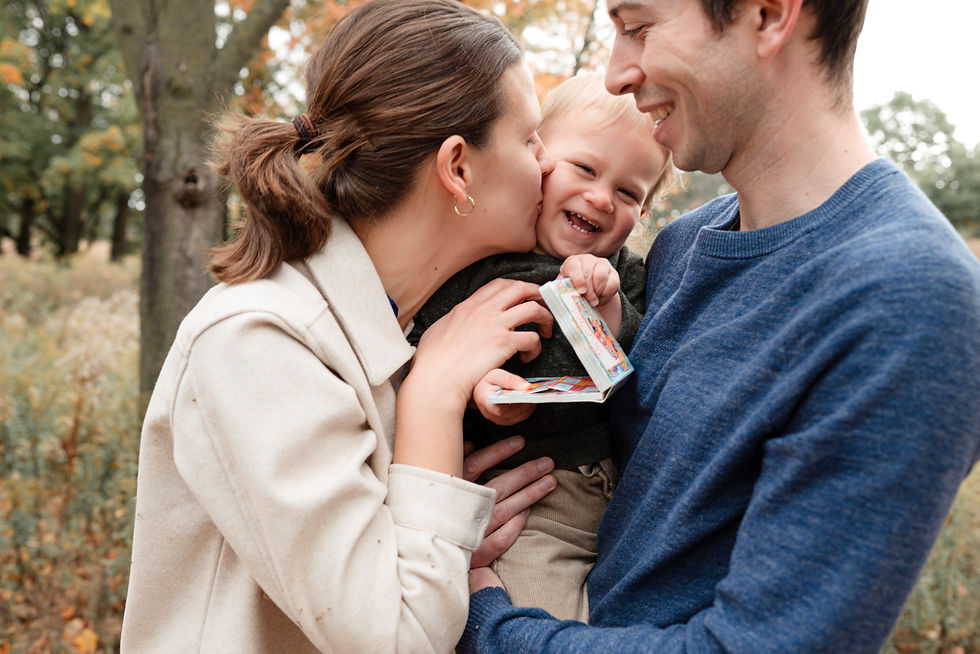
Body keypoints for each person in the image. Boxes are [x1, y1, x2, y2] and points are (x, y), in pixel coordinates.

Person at [460, 0, 980, 652]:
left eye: (638, 28)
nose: (618, 73)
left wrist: (490, 620)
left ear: (767, 14)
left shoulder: (909, 297)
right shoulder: (684, 245)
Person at [119, 1, 561, 652]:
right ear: (458, 169)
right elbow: (398, 635)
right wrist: (434, 397)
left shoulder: (391, 329)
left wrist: (446, 546)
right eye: (529, 139)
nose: (548, 163)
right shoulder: (259, 343)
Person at [408, 71, 673, 622]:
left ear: (642, 212)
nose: (601, 198)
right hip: (534, 511)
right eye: (585, 168)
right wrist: (481, 384)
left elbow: (646, 358)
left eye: (628, 192)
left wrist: (611, 310)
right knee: (551, 623)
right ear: (538, 158)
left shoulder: (625, 273)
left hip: (618, 506)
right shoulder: (484, 263)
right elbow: (435, 342)